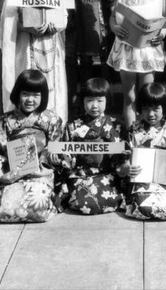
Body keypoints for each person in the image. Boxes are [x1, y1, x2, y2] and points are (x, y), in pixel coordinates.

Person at [0, 69, 63, 223]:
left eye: (36, 95)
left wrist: (47, 157)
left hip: (40, 174)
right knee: (7, 211)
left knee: (37, 207)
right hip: (12, 174)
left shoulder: (51, 119)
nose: (30, 99)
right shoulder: (6, 121)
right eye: (25, 94)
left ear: (43, 97)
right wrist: (1, 173)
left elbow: (57, 144)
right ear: (17, 94)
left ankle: (49, 201)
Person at [0, 0, 68, 122]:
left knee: (50, 81)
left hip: (49, 43)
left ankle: (49, 123)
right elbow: (10, 17)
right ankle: (24, 123)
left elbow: (63, 13)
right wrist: (25, 27)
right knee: (28, 80)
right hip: (26, 43)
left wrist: (56, 26)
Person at [107, 0, 166, 128]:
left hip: (148, 49)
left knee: (147, 95)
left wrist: (162, 34)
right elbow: (113, 17)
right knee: (130, 96)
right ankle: (130, 135)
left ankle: (147, 135)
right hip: (127, 50)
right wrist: (115, 28)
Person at [50, 78, 124, 215]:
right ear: (82, 101)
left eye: (100, 100)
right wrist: (63, 160)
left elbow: (119, 156)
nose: (94, 106)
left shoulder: (114, 125)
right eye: (89, 100)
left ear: (107, 100)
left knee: (105, 199)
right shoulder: (73, 125)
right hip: (80, 175)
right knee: (84, 203)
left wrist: (119, 163)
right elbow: (66, 152)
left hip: (105, 174)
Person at [118, 83, 166, 220]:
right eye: (146, 109)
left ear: (164, 108)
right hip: (140, 181)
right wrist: (127, 167)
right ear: (140, 109)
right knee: (144, 207)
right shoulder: (133, 130)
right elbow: (124, 157)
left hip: (165, 182)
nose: (151, 114)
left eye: (156, 109)